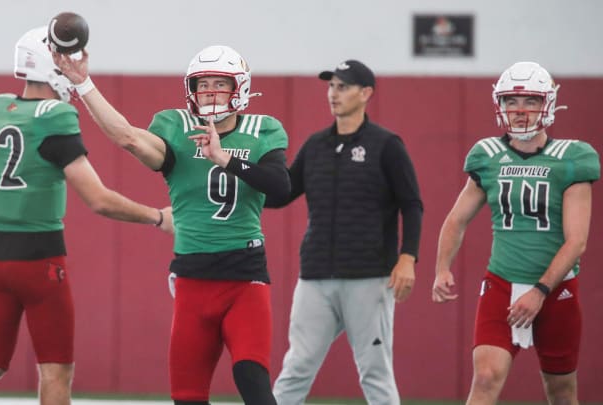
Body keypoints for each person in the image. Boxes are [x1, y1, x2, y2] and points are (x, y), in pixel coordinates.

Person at [0, 26, 173, 405]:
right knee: (56, 369)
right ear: (53, 66)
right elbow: (98, 199)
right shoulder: (53, 116)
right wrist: (158, 217)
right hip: (39, 261)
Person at [53, 45, 290, 404]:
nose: (209, 91)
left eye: (219, 83)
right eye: (203, 82)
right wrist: (85, 84)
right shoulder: (176, 126)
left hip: (245, 277)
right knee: (187, 397)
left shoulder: (264, 129)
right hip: (193, 278)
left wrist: (225, 158)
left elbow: (280, 187)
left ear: (239, 88)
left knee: (252, 380)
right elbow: (128, 137)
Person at [432, 61, 600, 404]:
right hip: (502, 283)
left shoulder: (572, 158)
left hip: (556, 290)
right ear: (499, 105)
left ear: (548, 104)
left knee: (561, 392)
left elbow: (576, 240)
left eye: (531, 101)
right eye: (511, 101)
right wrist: (441, 268)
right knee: (486, 377)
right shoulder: (488, 156)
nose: (520, 110)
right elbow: (456, 219)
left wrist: (539, 290)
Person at [266, 60, 423, 405]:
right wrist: (239, 182)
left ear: (366, 93)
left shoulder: (386, 145)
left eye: (343, 86)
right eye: (331, 86)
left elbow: (412, 204)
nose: (333, 94)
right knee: (296, 367)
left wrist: (407, 258)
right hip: (316, 277)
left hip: (369, 277)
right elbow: (281, 194)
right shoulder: (316, 145)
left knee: (375, 371)